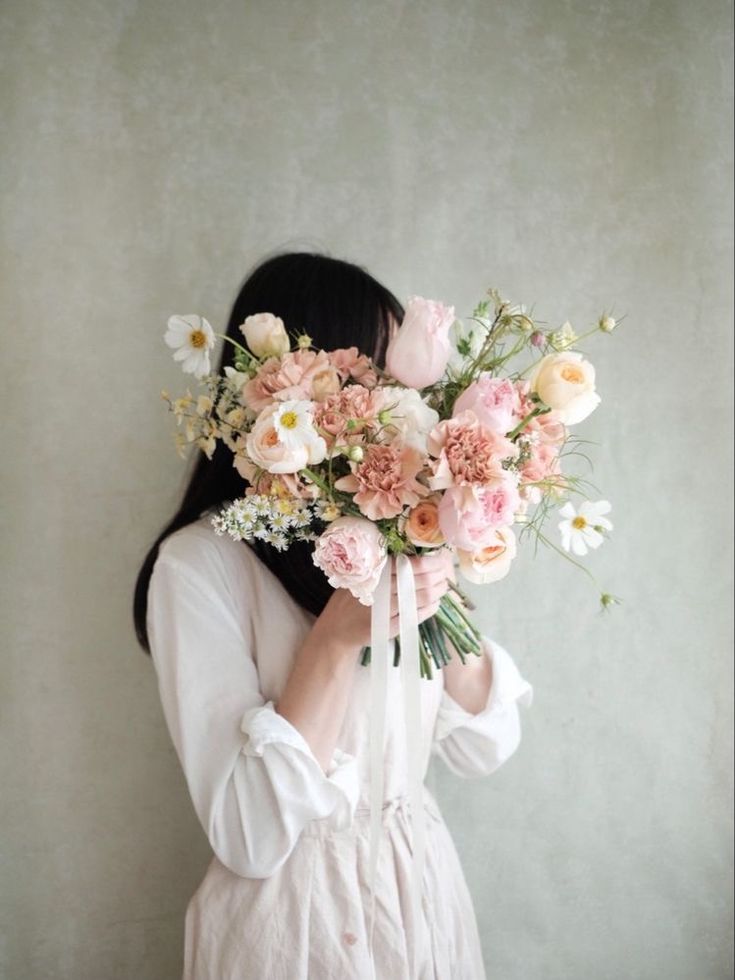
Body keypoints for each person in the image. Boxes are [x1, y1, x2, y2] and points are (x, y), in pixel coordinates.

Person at [132, 251, 533, 980]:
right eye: (382, 378)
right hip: (289, 930)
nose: (402, 407)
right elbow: (250, 834)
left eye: (410, 389)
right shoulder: (198, 566)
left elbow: (483, 748)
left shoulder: (389, 538)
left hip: (421, 902)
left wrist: (448, 529)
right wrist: (338, 636)